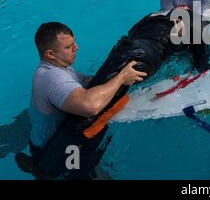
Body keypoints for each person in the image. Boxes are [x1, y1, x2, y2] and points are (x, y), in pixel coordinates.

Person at [27, 22, 147, 178]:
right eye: (69, 47)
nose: (76, 48)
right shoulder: (52, 78)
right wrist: (121, 77)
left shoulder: (59, 68)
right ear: (50, 54)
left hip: (50, 142)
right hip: (54, 153)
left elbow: (89, 83)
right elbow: (91, 106)